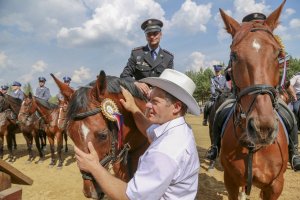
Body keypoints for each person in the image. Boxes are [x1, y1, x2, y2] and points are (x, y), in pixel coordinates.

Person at [75, 69, 200, 199]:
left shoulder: (164, 152)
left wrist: (94, 167)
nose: (147, 105)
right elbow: (149, 130)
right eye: (149, 99)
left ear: (177, 107)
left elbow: (130, 197)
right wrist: (134, 108)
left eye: (155, 102)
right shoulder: (179, 130)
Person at [206, 12, 300, 172]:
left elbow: (280, 69)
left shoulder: (270, 45)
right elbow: (230, 71)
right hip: (242, 94)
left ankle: (294, 152)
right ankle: (215, 146)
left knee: (289, 114)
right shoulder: (240, 44)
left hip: (270, 94)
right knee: (220, 112)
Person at [120, 18, 174, 95]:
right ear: (146, 36)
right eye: (149, 34)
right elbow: (124, 75)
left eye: (155, 33)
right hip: (139, 96)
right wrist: (136, 83)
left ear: (160, 35)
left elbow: (169, 82)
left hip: (158, 97)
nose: (152, 37)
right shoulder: (137, 54)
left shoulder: (168, 57)